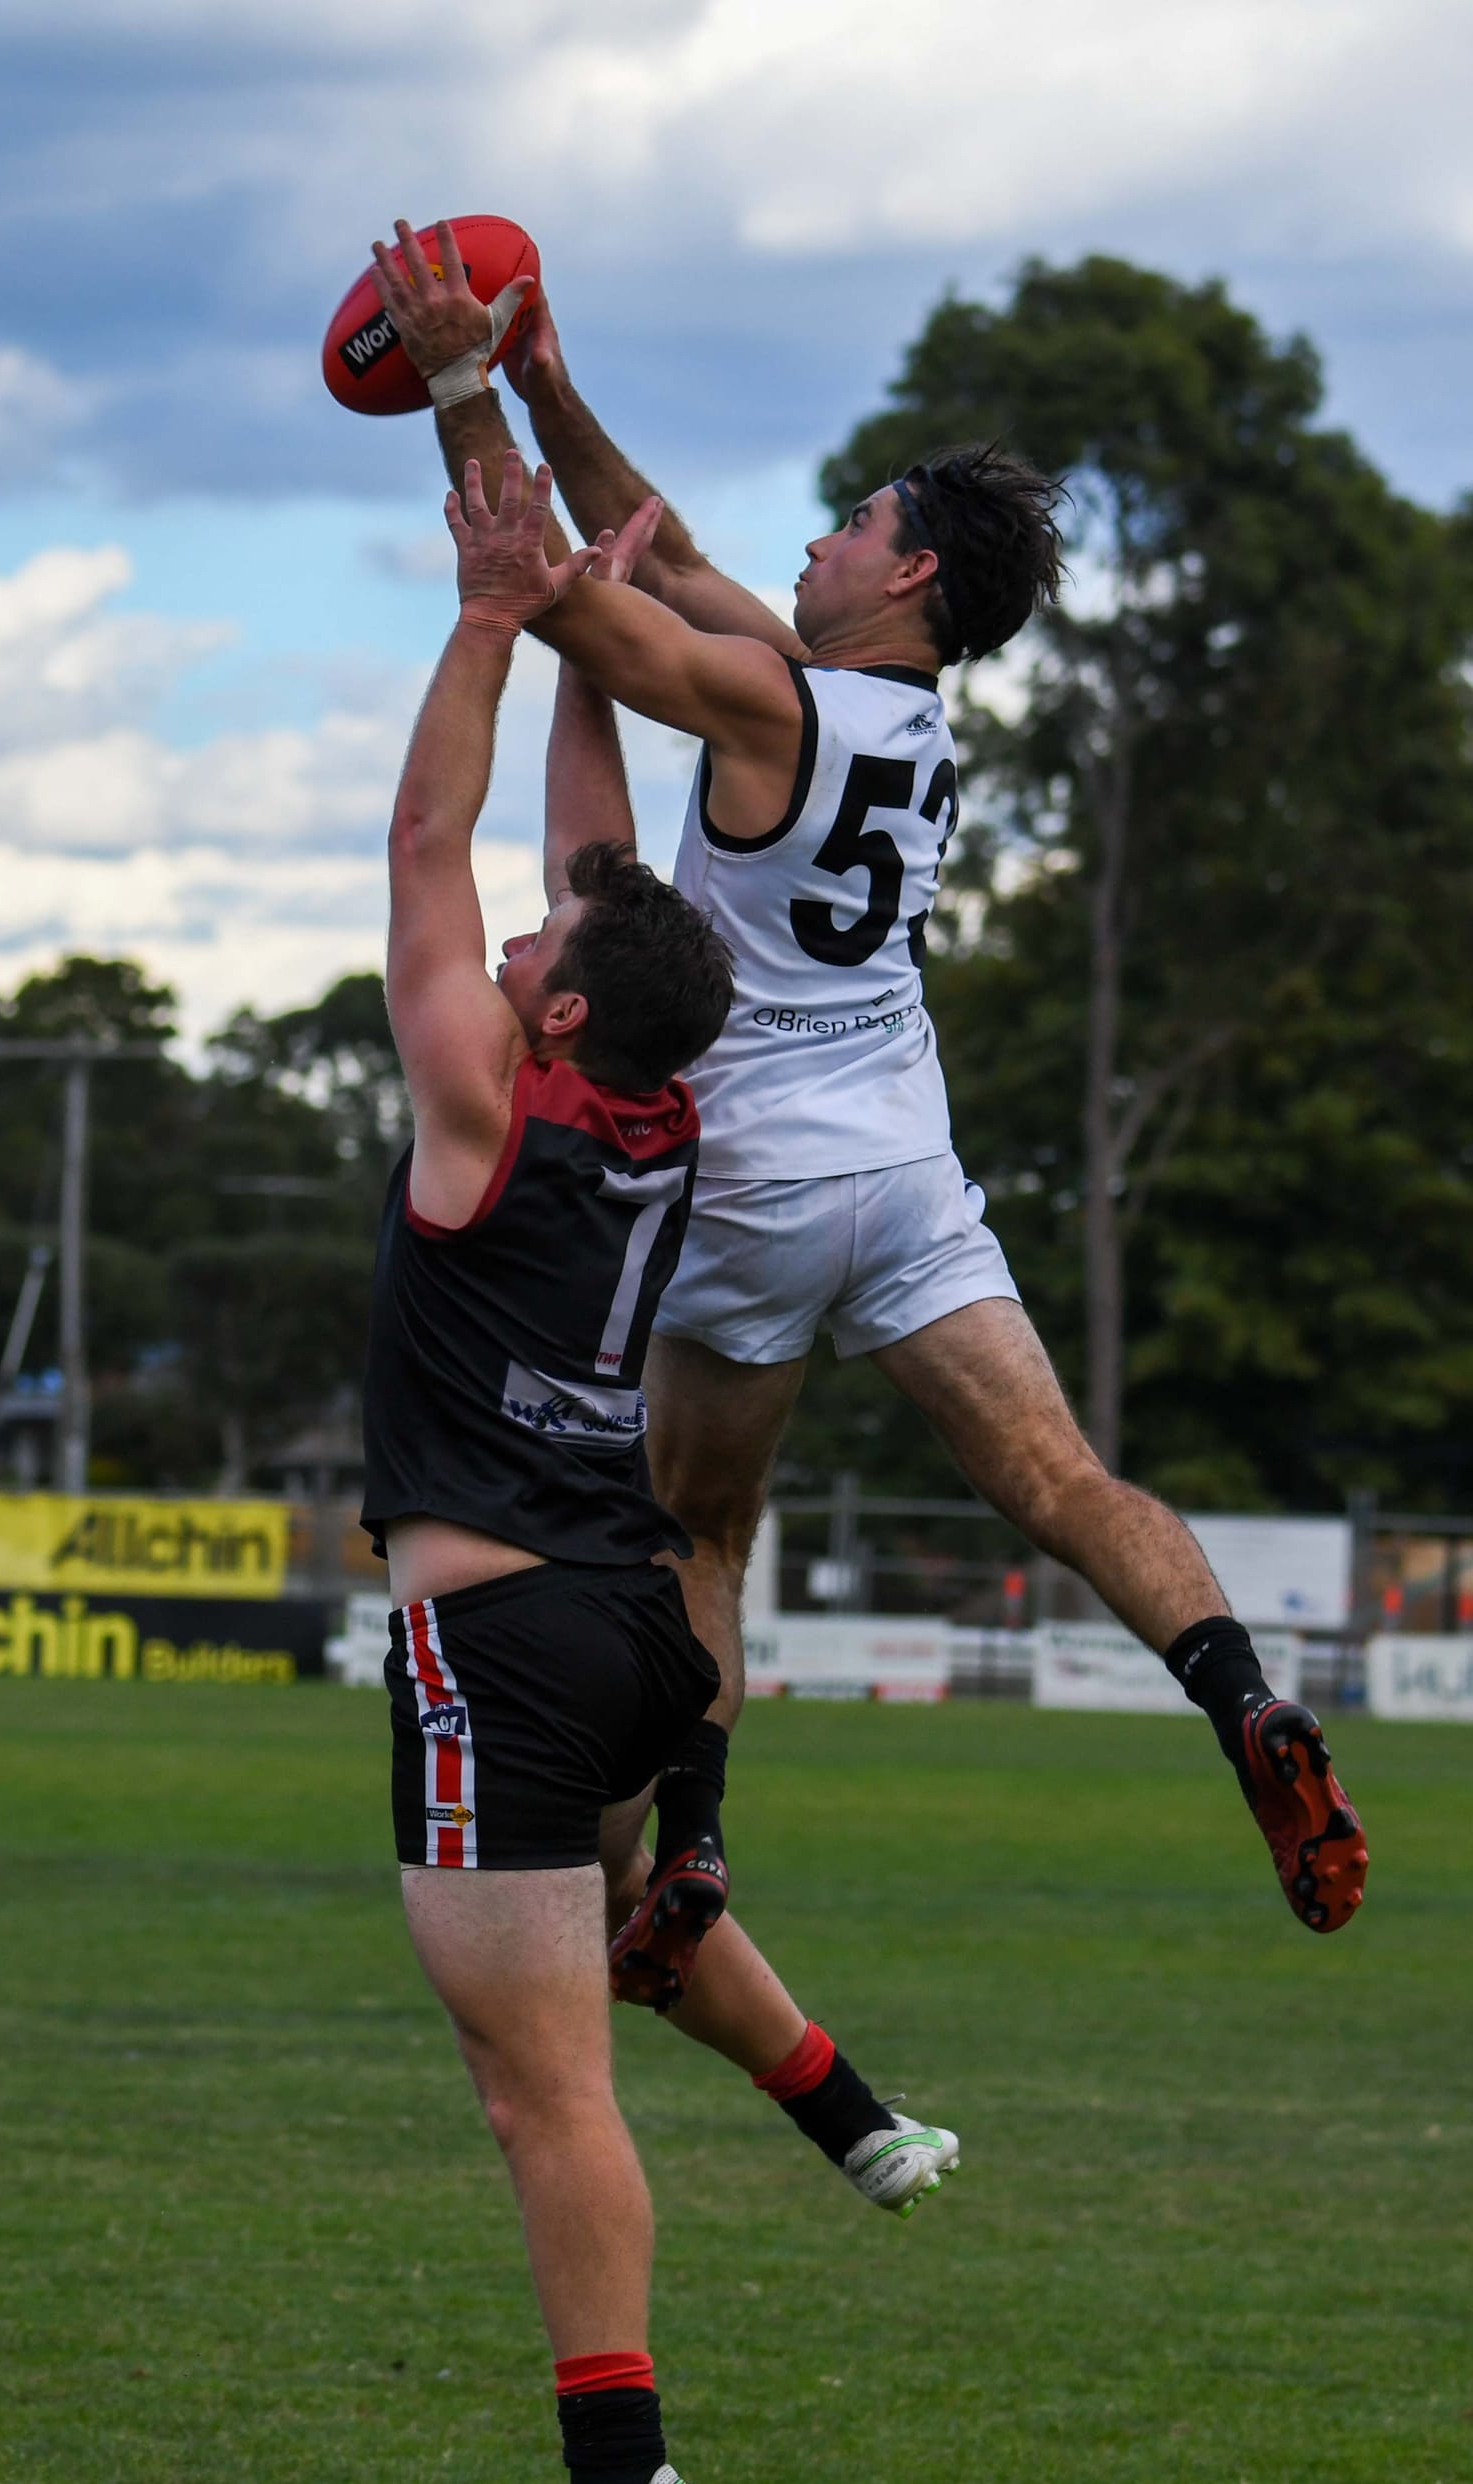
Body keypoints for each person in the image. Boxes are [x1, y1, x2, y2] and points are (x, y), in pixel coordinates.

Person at [364, 222, 1368, 2028]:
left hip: (744, 1186)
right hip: (907, 1176)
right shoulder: (902, 718)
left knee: (707, 1538)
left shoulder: (768, 702)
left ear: (901, 578)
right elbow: (653, 546)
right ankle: (1241, 1695)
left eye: (851, 521)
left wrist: (453, 389)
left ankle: (701, 1839)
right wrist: (548, 381)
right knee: (1066, 1485)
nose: (820, 536)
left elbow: (561, 590)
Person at [366, 449, 946, 2484]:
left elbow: (435, 850)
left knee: (541, 2095)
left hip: (497, 1643)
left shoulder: (481, 1102)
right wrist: (567, 633)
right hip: (630, 1638)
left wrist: (491, 618)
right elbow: (591, 878)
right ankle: (855, 2122)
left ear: (558, 1020)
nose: (503, 948)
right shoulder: (654, 1105)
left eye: (532, 963)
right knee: (609, 1973)